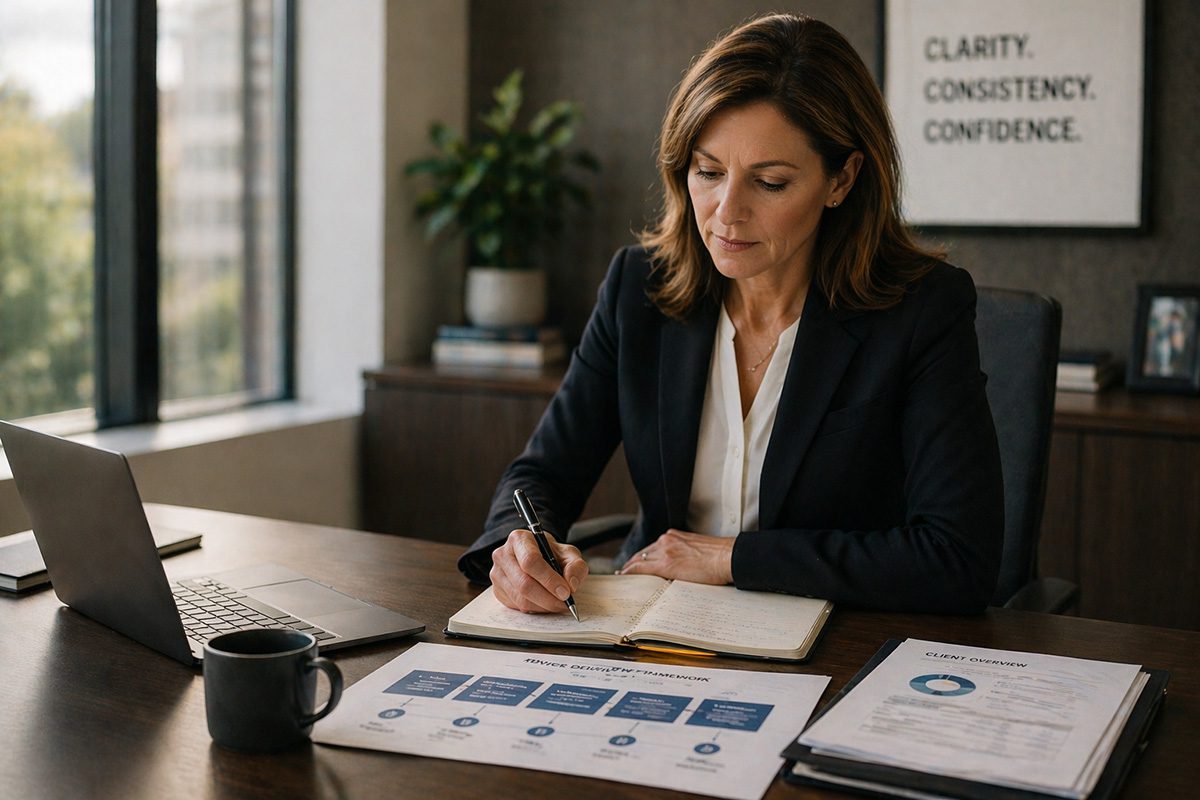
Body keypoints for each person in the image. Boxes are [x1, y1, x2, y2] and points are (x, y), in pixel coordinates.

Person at [457, 13, 1003, 615]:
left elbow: (957, 558)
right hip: (655, 624)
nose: (726, 212)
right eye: (709, 172)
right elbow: (541, 474)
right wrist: (515, 549)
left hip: (836, 640)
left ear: (842, 179)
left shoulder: (921, 312)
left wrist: (730, 558)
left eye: (769, 182)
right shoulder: (637, 290)